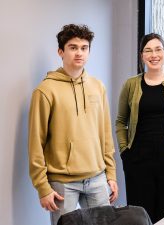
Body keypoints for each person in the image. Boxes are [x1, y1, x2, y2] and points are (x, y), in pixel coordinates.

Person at [28, 24, 118, 225]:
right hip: (62, 184)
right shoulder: (45, 91)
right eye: (73, 47)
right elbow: (36, 142)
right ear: (61, 51)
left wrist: (110, 174)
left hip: (97, 178)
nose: (79, 53)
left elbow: (105, 134)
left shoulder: (98, 87)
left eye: (84, 48)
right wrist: (42, 186)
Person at [115, 33, 164, 223]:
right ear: (142, 56)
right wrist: (125, 152)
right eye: (148, 50)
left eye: (158, 49)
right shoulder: (130, 84)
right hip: (138, 160)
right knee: (140, 216)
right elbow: (120, 121)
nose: (154, 55)